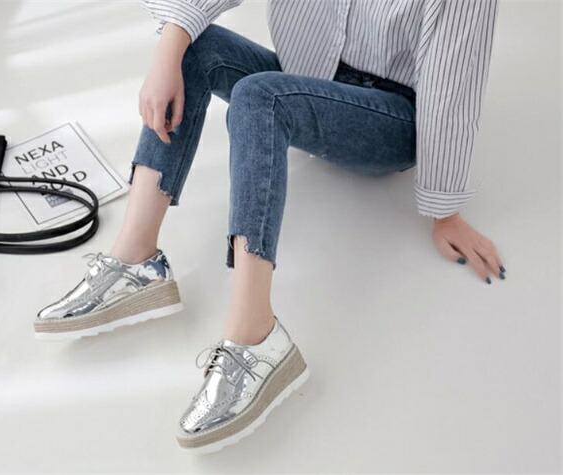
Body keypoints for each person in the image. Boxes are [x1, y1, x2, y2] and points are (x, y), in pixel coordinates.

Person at [35, 0, 504, 453]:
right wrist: (166, 55)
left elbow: (453, 80)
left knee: (259, 96)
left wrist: (445, 211)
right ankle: (137, 260)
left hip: (392, 116)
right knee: (194, 47)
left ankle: (256, 334)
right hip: (309, 79)